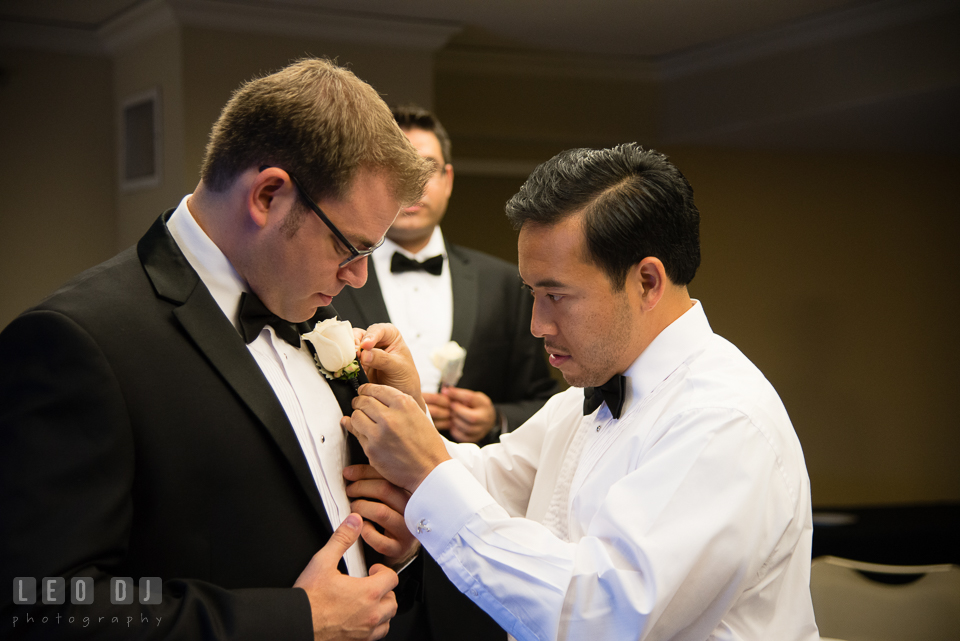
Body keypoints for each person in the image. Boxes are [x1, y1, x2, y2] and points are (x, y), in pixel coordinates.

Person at [0, 58, 433, 640]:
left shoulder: (315, 306)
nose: (358, 278)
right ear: (268, 196)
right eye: (349, 246)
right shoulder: (78, 342)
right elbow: (42, 605)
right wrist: (293, 621)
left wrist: (398, 546)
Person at [345, 144, 821, 640]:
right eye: (533, 294)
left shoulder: (724, 420)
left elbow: (603, 617)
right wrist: (407, 411)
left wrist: (428, 473)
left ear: (647, 282)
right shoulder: (584, 396)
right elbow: (492, 480)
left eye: (556, 296)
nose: (536, 324)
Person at [333, 105, 558, 446]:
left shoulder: (505, 283)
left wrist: (496, 418)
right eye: (395, 167)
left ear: (448, 179)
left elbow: (546, 402)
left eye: (426, 167)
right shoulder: (333, 279)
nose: (412, 183)